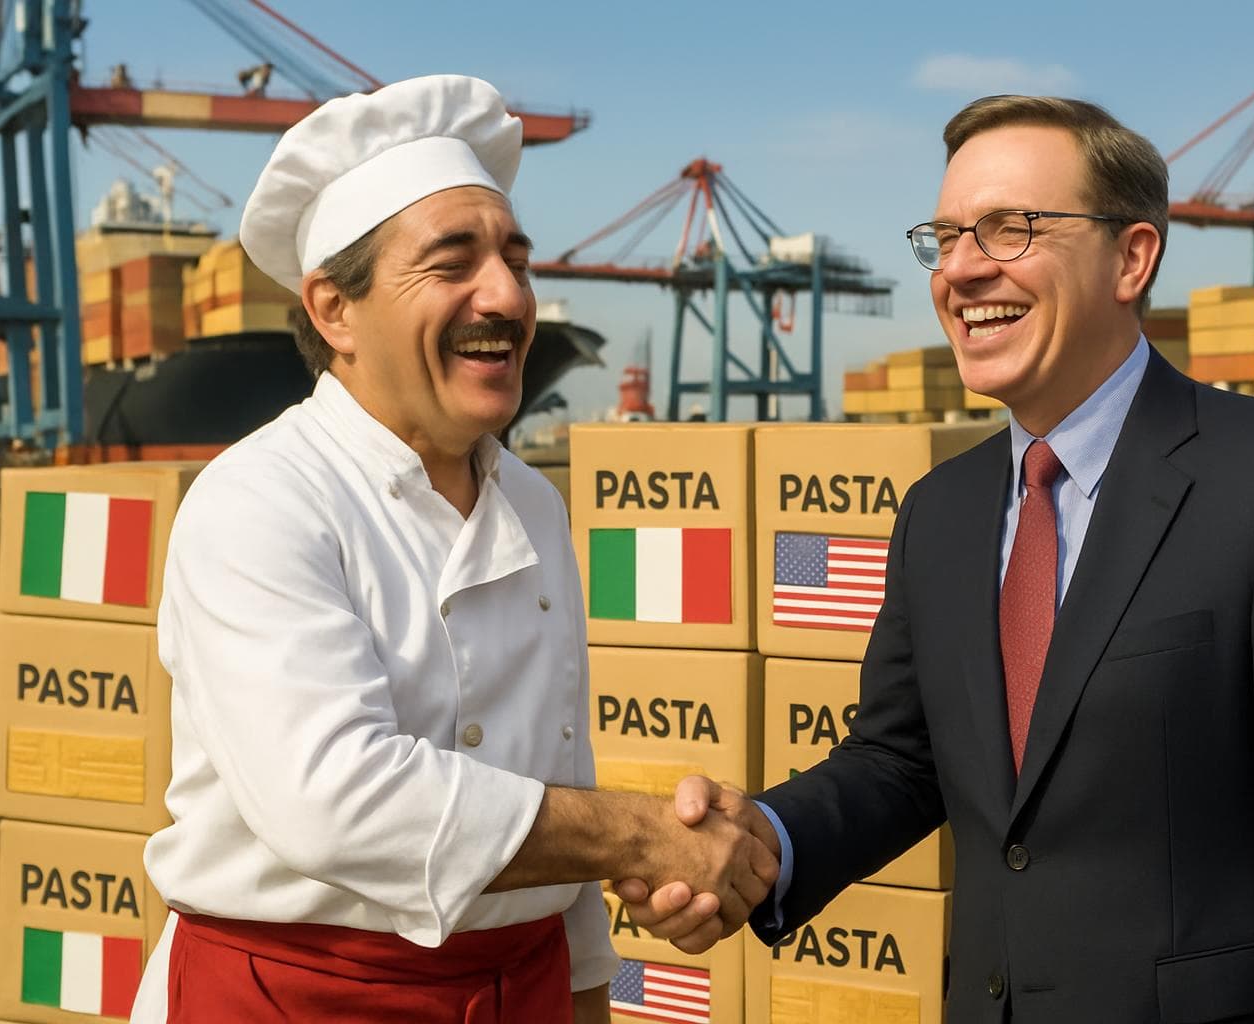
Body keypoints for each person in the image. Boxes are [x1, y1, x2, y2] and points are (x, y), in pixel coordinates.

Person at [619, 95, 1254, 1022]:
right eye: (947, 236)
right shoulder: (941, 511)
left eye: (1010, 230)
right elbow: (900, 760)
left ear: (1132, 257)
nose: (962, 269)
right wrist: (760, 839)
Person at [131, 75, 776, 1024]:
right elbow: (336, 799)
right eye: (453, 262)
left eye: (516, 258)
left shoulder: (533, 503)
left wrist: (588, 988)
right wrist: (642, 839)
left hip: (519, 989)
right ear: (333, 310)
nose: (510, 296)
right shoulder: (258, 501)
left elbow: (561, 763)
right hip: (293, 997)